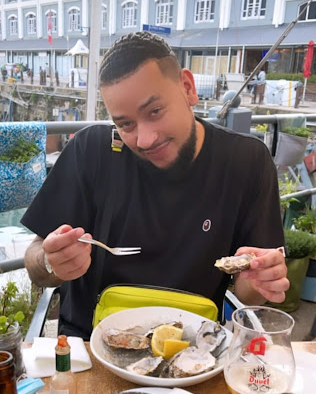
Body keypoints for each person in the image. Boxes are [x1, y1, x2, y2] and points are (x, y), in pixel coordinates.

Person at [22, 31, 288, 339]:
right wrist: (50, 262)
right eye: (126, 124)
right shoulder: (91, 151)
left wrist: (260, 280)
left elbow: (247, 293)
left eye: (155, 111)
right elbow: (35, 262)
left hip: (191, 348)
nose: (145, 139)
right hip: (89, 345)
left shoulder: (246, 162)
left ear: (187, 88)